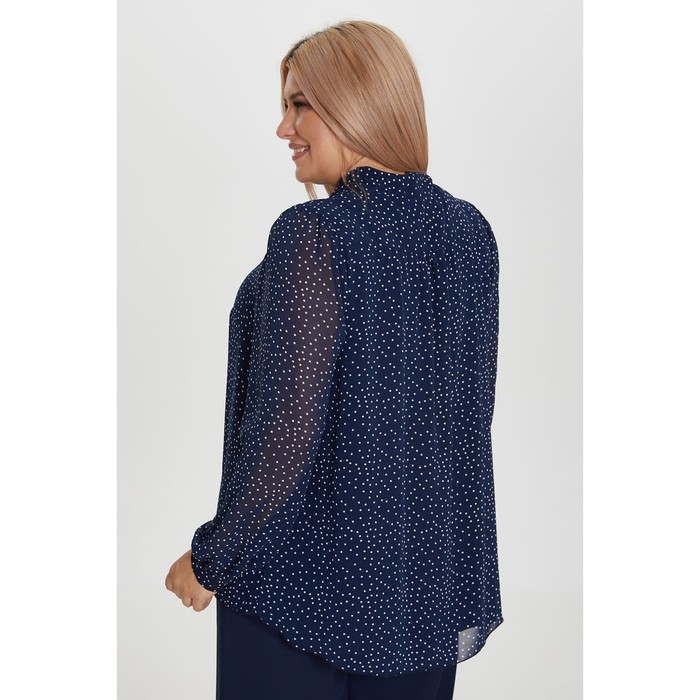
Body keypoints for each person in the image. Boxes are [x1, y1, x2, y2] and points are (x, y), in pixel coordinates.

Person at [165, 19, 503, 700]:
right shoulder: (470, 233)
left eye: (300, 105)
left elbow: (287, 428)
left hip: (296, 594)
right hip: (419, 594)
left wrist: (212, 557)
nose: (283, 128)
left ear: (356, 104)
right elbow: (467, 423)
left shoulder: (313, 233)